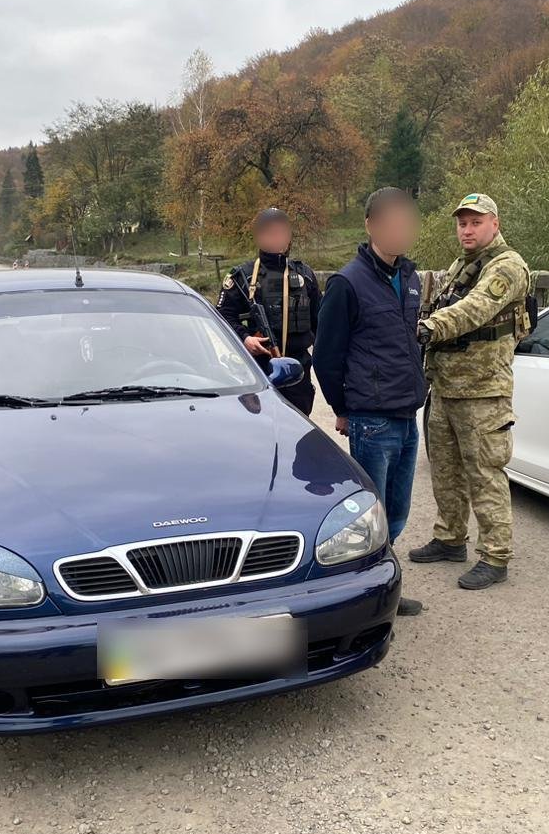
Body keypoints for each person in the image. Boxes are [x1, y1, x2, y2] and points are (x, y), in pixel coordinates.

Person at [313, 187, 428, 616]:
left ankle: (384, 587)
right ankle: (365, 602)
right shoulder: (347, 283)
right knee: (369, 515)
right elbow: (326, 356)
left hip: (406, 413)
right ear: (371, 225)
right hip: (371, 419)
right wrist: (342, 409)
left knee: (396, 511)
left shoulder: (411, 279)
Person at [409, 194, 531, 591]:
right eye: (462, 223)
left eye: (476, 222)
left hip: (483, 392)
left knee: (485, 475)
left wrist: (428, 328)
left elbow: (474, 310)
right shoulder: (460, 266)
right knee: (445, 472)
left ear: (495, 224)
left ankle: (495, 555)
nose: (467, 229)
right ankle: (450, 538)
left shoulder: (507, 266)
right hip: (447, 387)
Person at [216, 208, 322, 415]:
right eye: (271, 232)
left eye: (282, 232)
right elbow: (221, 317)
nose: (277, 237)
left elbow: (320, 322)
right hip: (257, 370)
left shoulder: (305, 275)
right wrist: (245, 338)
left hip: (298, 371)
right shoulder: (243, 277)